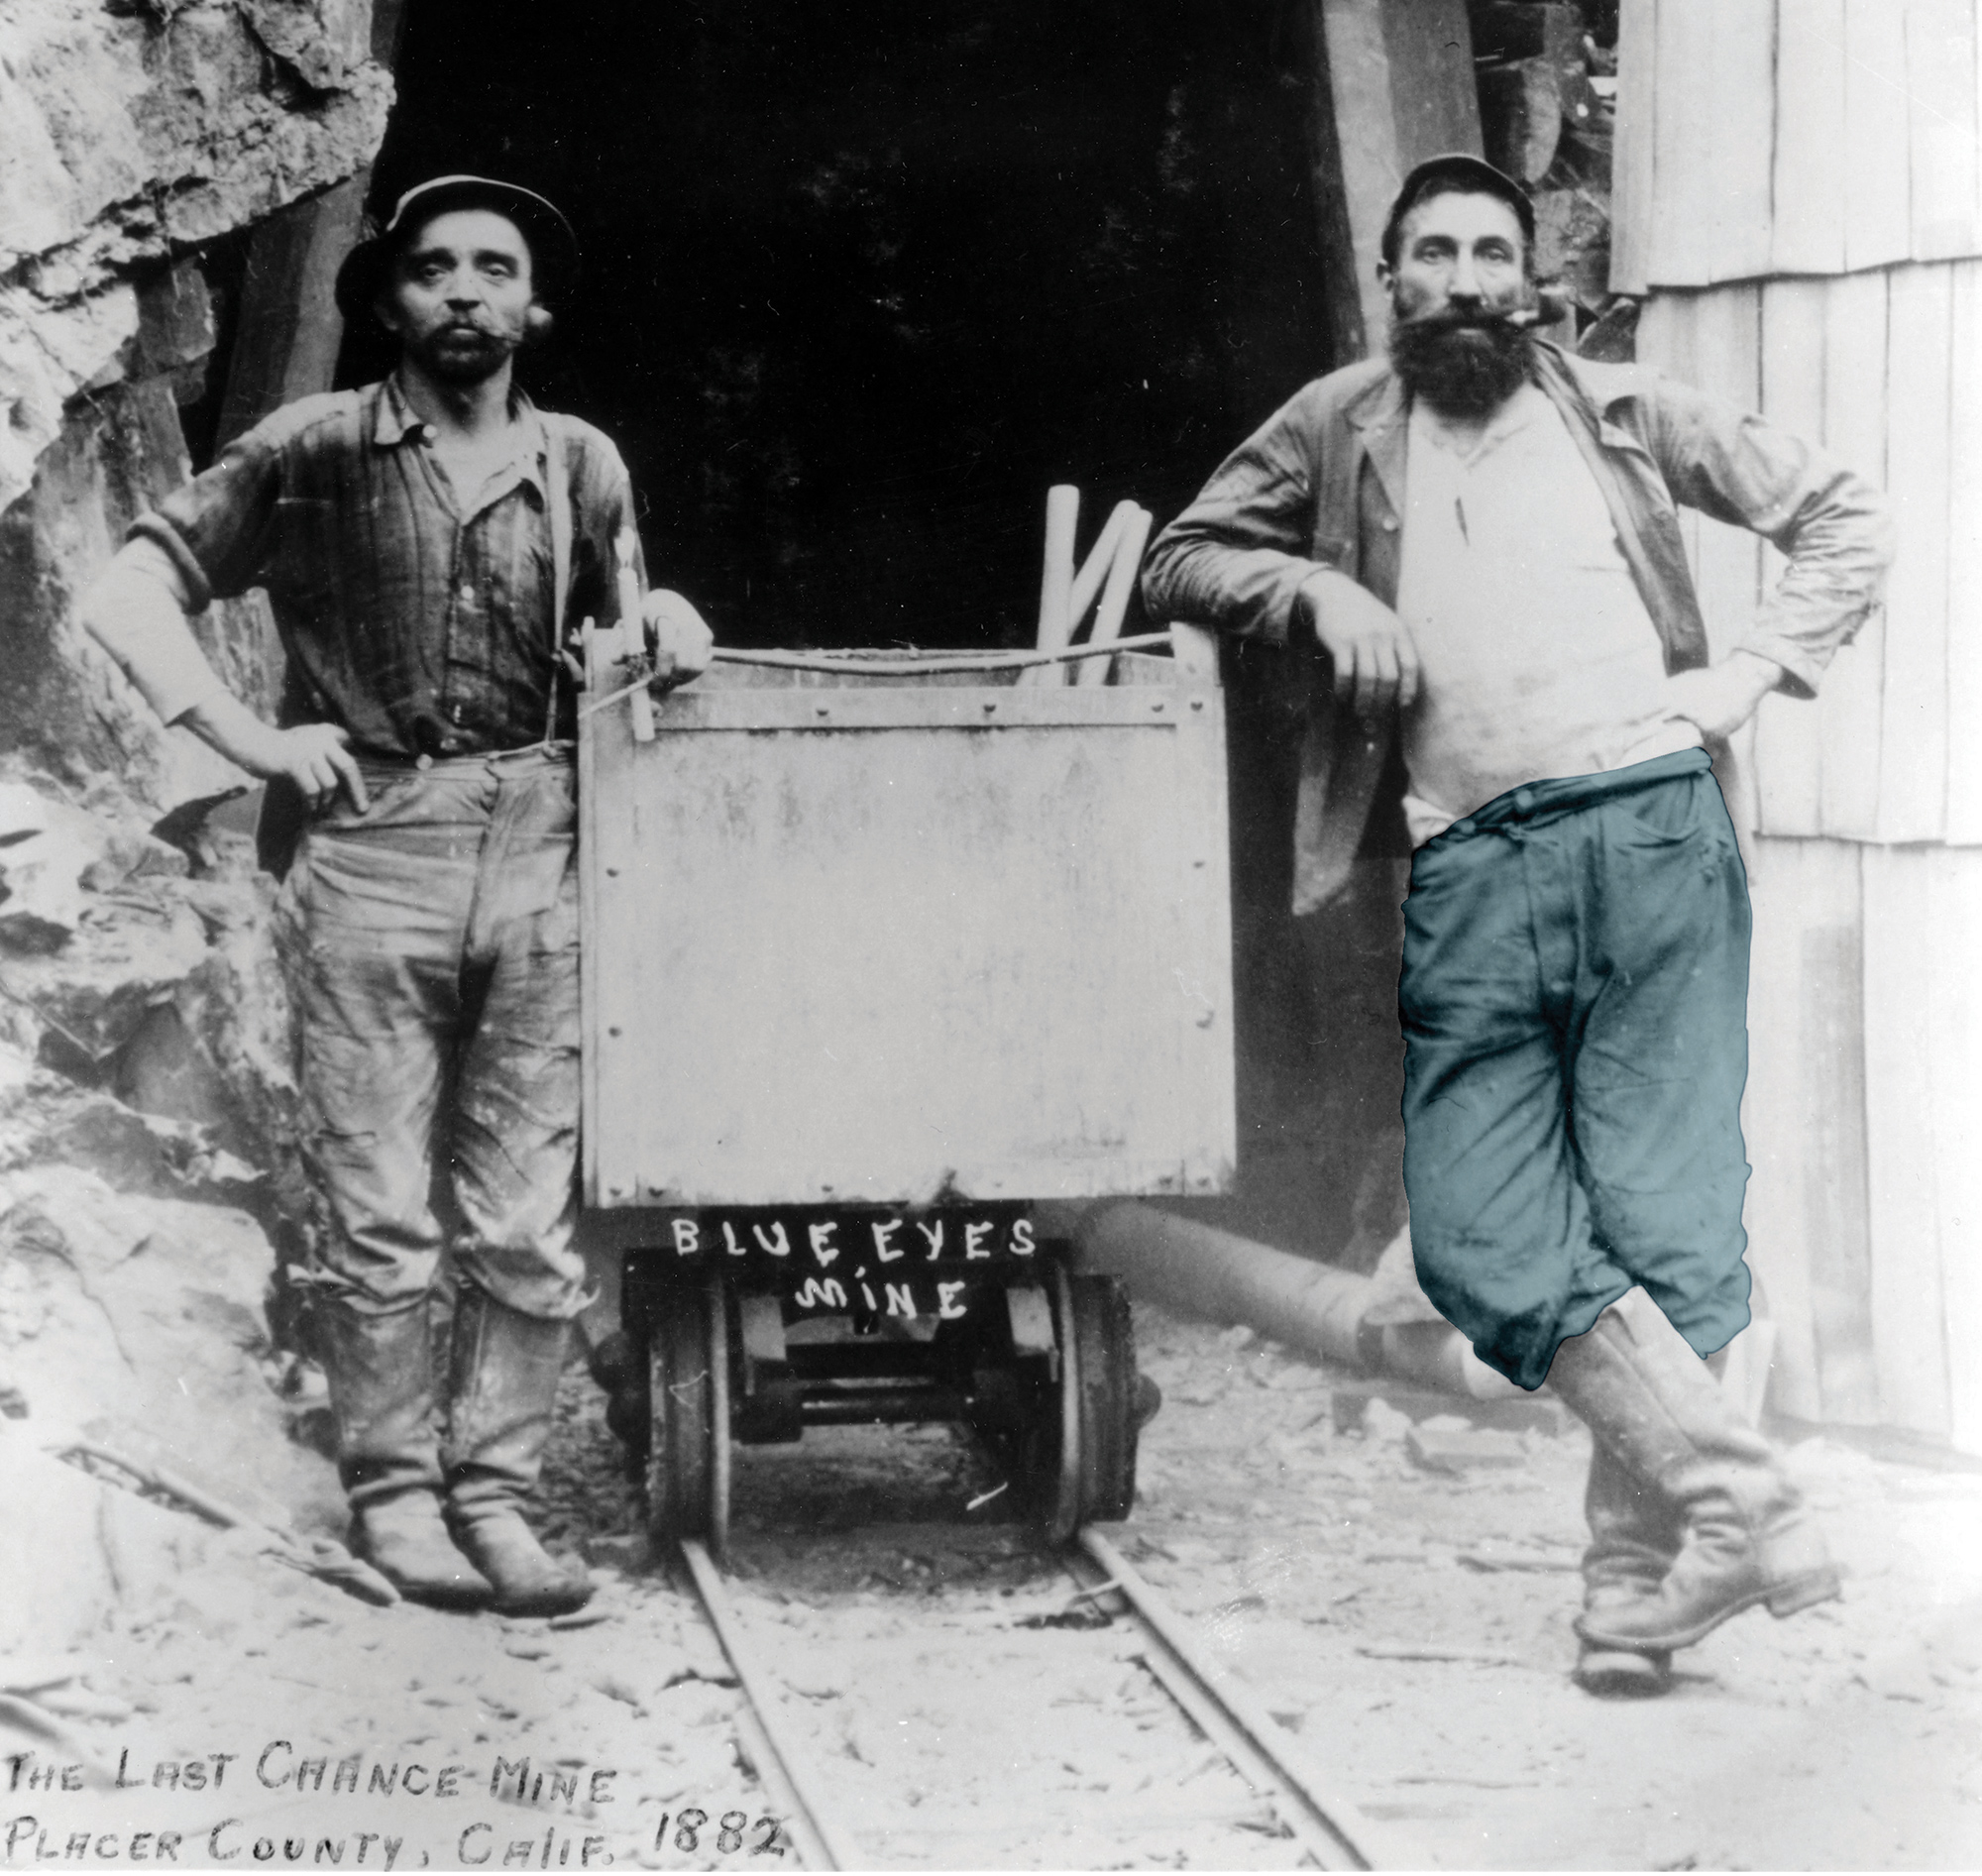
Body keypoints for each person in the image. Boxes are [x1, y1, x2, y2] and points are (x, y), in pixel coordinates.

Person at [1142, 154, 1893, 1695]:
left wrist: (1751, 673)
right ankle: (1741, 1500)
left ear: (1530, 275)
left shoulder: (1625, 409)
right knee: (1487, 1224)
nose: (1470, 277)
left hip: (1654, 836)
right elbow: (1181, 552)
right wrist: (1310, 592)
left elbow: (1841, 515)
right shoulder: (1338, 425)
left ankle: (1630, 1587)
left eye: (1495, 249)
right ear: (1392, 276)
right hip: (1472, 864)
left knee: (1659, 1220)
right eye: (1438, 251)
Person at [80, 175, 715, 1615]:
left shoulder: (582, 462)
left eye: (498, 267)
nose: (467, 290)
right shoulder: (314, 448)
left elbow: (621, 633)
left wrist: (665, 619)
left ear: (535, 304)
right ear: (387, 301)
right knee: (377, 1208)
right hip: (372, 844)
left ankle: (495, 1494)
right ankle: (392, 1494)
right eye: (434, 269)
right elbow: (126, 589)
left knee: (523, 1218)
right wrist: (245, 737)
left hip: (546, 843)